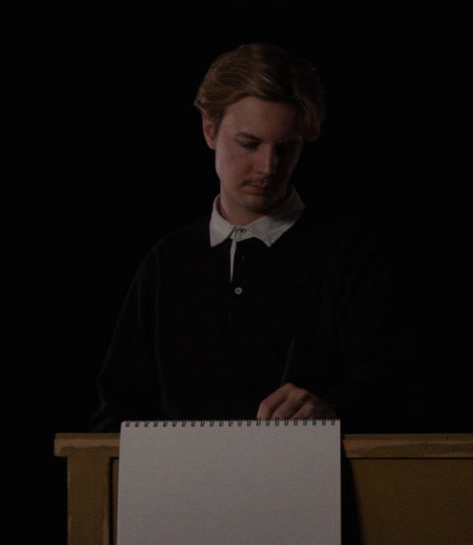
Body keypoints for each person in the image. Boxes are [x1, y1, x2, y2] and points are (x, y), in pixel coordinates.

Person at [90, 43, 414, 433]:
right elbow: (116, 414)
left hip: (309, 473)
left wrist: (332, 411)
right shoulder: (166, 262)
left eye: (286, 148)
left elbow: (397, 386)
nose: (267, 167)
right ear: (210, 130)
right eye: (249, 144)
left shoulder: (350, 256)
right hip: (185, 475)